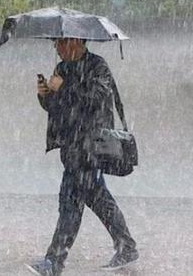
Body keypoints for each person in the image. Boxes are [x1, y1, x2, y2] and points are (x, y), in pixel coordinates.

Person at [26, 38, 138, 276]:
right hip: (71, 146)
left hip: (91, 147)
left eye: (60, 43)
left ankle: (53, 262)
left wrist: (64, 88)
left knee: (70, 202)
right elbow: (57, 106)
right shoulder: (62, 68)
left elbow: (95, 99)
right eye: (55, 44)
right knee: (98, 199)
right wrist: (45, 95)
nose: (56, 48)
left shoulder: (98, 66)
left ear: (75, 42)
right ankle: (126, 247)